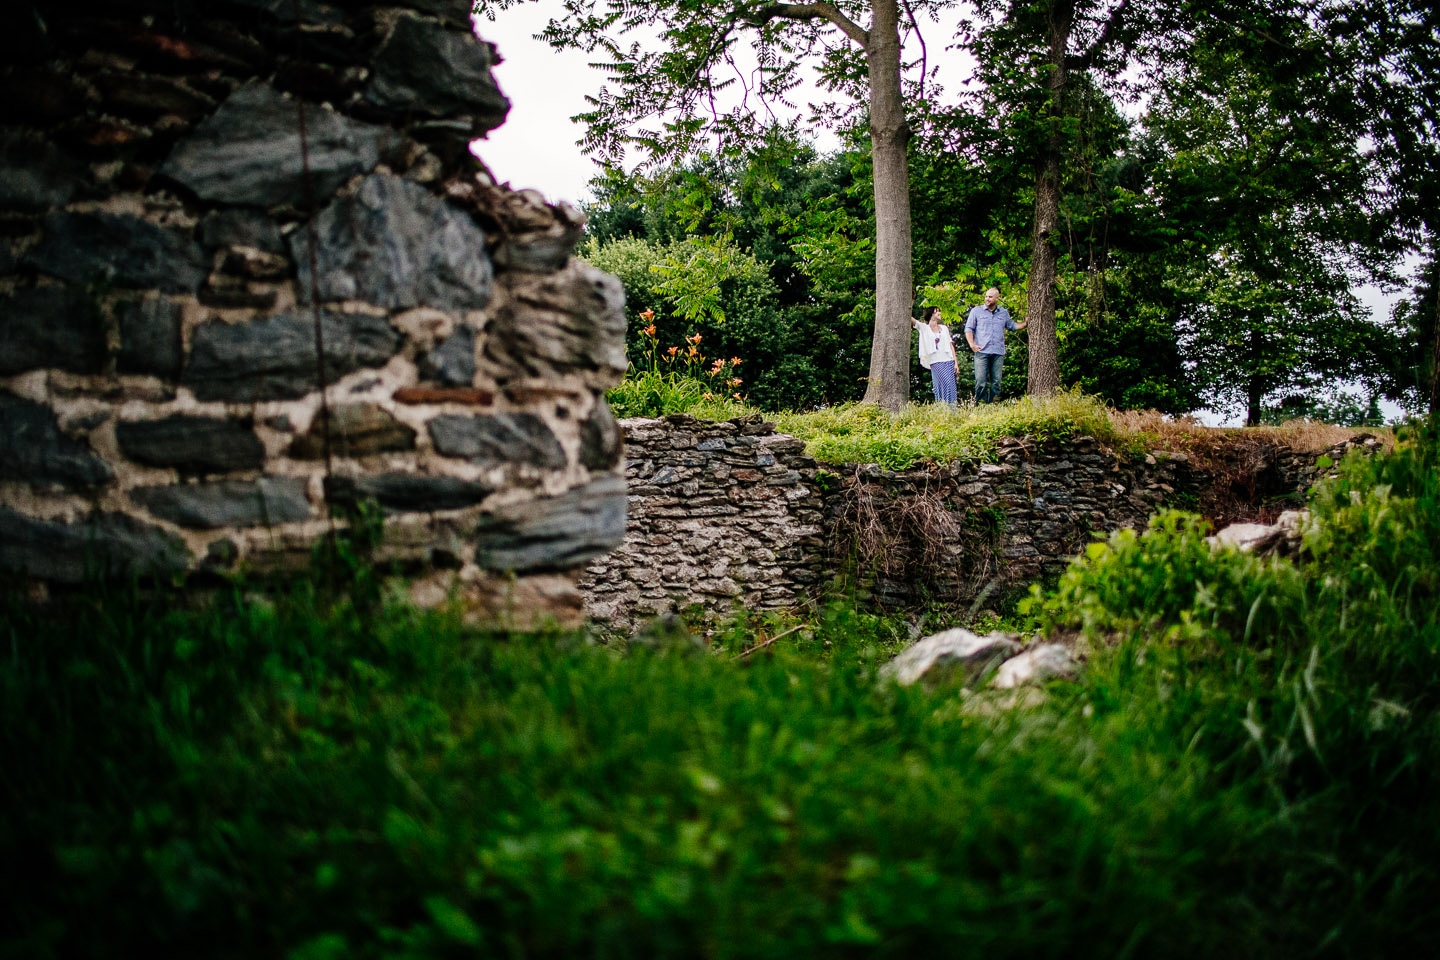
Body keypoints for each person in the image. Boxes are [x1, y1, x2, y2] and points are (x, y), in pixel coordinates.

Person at [964, 287, 1026, 404]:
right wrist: (972, 344)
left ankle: (994, 406)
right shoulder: (976, 311)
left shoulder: (1003, 312)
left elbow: (1012, 326)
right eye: (986, 296)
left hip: (998, 352)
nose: (987, 299)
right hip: (981, 351)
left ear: (997, 298)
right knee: (980, 381)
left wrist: (1025, 324)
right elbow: (968, 329)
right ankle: (981, 406)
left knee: (996, 382)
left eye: (990, 297)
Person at [912, 306, 958, 406]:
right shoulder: (924, 328)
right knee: (941, 384)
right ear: (931, 314)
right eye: (937, 312)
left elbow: (950, 345)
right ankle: (942, 407)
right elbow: (913, 321)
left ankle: (952, 409)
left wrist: (956, 363)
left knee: (950, 385)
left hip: (948, 360)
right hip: (935, 361)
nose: (940, 313)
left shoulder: (944, 328)